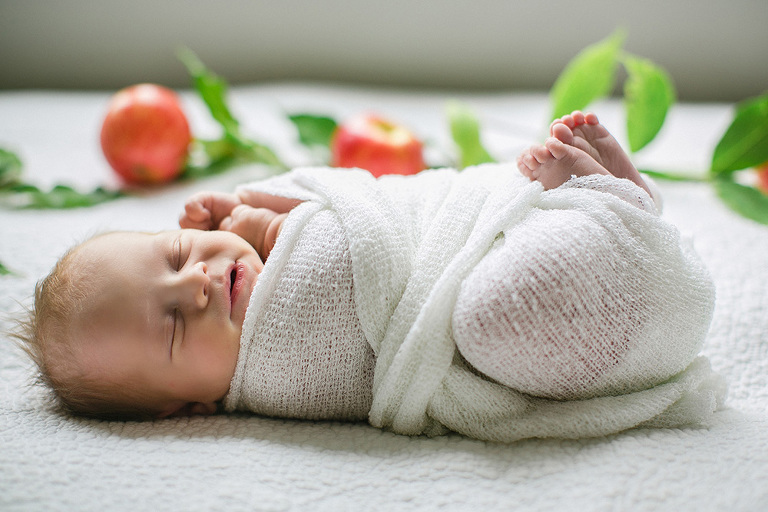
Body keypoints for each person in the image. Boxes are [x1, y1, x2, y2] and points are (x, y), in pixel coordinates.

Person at [14, 112, 724, 442]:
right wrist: (269, 227)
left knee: (508, 276)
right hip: (521, 321)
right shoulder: (270, 383)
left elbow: (356, 209)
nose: (196, 284)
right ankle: (609, 215)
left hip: (460, 236)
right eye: (171, 323)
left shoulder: (247, 251)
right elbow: (342, 274)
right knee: (499, 318)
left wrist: (252, 213)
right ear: (185, 409)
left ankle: (610, 210)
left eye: (176, 256)